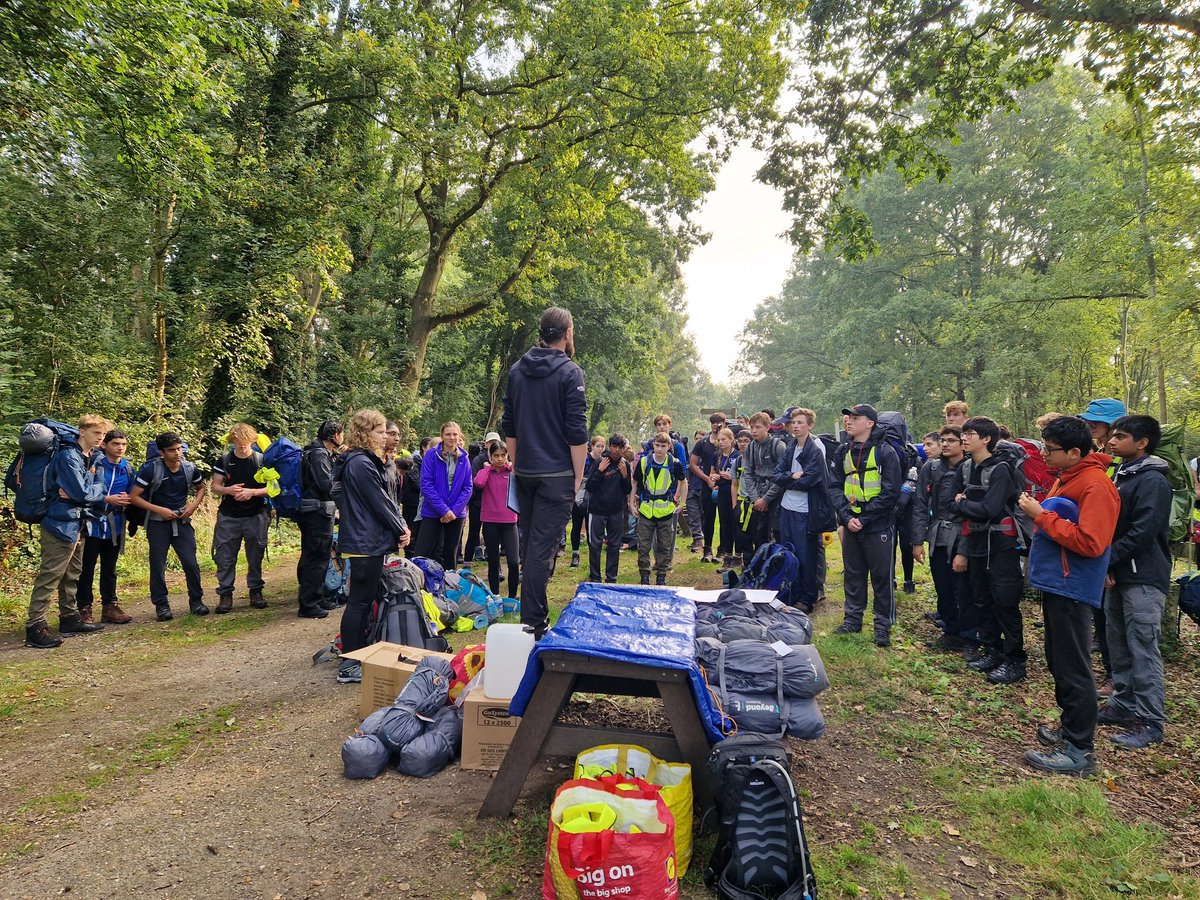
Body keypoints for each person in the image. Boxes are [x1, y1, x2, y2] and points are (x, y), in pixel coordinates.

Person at [1019, 415, 1119, 776]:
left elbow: (1092, 543)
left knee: (1074, 664)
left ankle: (1080, 751)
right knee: (1059, 659)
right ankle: (1070, 729)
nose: (1044, 454)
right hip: (1058, 583)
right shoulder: (1070, 476)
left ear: (1075, 452)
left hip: (1074, 586)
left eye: (1051, 449)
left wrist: (1040, 515)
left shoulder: (1095, 486)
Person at [501, 306, 588, 637]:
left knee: (532, 547)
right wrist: (578, 476)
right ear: (567, 334)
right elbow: (576, 431)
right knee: (540, 549)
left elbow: (509, 424)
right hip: (555, 474)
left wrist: (516, 462)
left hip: (525, 472)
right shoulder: (570, 373)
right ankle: (533, 623)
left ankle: (531, 617)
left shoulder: (517, 370)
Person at [1102, 415, 1171, 749]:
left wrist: (1108, 559)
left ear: (1142, 442)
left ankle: (1149, 721)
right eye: (1113, 436)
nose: (1112, 441)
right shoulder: (1121, 475)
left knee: (1143, 647)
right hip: (1118, 572)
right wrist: (1108, 565)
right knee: (1118, 643)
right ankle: (1123, 704)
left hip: (1144, 577)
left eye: (1121, 436)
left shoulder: (1153, 480)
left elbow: (1143, 531)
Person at [335, 409, 411, 684]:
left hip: (366, 539)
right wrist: (401, 528)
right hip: (364, 541)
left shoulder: (362, 461)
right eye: (379, 431)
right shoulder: (361, 463)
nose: (384, 436)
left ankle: (358, 656)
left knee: (364, 603)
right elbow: (380, 503)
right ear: (365, 433)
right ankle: (350, 663)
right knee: (358, 603)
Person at [951, 416, 1027, 684]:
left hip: (1002, 545)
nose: (964, 438)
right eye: (964, 433)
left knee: (1004, 601)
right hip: (977, 543)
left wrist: (963, 505)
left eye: (970, 434)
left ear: (986, 439)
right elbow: (954, 503)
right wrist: (963, 505)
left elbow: (991, 509)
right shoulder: (965, 468)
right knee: (981, 598)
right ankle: (991, 649)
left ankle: (1015, 660)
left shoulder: (1001, 469)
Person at [23, 414, 110, 648]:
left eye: (102, 434)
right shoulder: (68, 456)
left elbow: (84, 492)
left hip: (77, 522)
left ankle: (70, 618)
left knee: (73, 573)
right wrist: (94, 491)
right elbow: (81, 494)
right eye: (95, 433)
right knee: (51, 575)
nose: (100, 438)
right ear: (81, 432)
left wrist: (90, 490)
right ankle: (35, 626)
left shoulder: (91, 456)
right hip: (58, 523)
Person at [831, 404, 902, 647]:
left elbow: (891, 490)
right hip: (851, 523)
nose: (848, 422)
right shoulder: (842, 451)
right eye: (848, 418)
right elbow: (834, 486)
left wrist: (865, 518)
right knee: (853, 574)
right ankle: (852, 620)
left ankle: (882, 625)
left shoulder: (886, 452)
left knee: (882, 577)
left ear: (870, 423)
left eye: (855, 418)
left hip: (878, 525)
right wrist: (846, 516)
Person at [911, 426, 977, 652]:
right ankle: (951, 631)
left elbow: (974, 513)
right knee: (943, 585)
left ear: (962, 443)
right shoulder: (931, 468)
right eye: (943, 440)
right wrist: (918, 541)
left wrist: (964, 550)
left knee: (965, 588)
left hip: (963, 534)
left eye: (952, 440)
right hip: (938, 533)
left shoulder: (972, 468)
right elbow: (920, 504)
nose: (946, 444)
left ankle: (970, 636)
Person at [131, 432, 209, 622]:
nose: (177, 453)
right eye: (171, 450)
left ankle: (196, 601)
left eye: (179, 448)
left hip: (182, 521)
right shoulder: (151, 470)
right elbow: (134, 496)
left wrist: (192, 506)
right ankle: (161, 605)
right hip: (157, 524)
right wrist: (160, 510)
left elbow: (201, 487)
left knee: (190, 562)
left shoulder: (189, 468)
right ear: (161, 452)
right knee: (158, 564)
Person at [771, 408, 833, 613]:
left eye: (800, 422)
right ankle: (792, 593)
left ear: (810, 426)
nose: (795, 426)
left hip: (806, 511)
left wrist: (788, 479)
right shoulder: (790, 447)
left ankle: (808, 598)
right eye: (793, 422)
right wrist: (792, 476)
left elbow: (809, 481)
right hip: (787, 508)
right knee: (789, 551)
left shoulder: (814, 450)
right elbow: (776, 474)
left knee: (807, 555)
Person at [211, 422, 271, 613]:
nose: (242, 445)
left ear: (252, 440)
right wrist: (228, 490)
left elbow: (274, 488)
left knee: (255, 555)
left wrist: (251, 492)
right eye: (237, 442)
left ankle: (256, 591)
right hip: (229, 515)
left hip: (256, 514)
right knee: (225, 556)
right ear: (232, 441)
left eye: (245, 441)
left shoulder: (262, 460)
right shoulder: (225, 460)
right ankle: (225, 594)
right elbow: (216, 486)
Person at [77, 428, 134, 626]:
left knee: (110, 568)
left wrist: (129, 502)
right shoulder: (94, 464)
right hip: (92, 523)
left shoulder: (127, 468)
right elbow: (83, 492)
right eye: (115, 444)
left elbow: (132, 493)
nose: (120, 448)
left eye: (123, 444)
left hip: (115, 525)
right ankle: (84, 608)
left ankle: (110, 606)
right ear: (104, 445)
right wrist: (106, 499)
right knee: (87, 568)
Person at [295, 420, 342, 619]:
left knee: (318, 555)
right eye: (341, 433)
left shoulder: (316, 452)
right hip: (316, 513)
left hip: (316, 511)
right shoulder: (319, 454)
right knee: (316, 556)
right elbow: (326, 485)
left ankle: (317, 596)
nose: (343, 437)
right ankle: (309, 604)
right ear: (333, 435)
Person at [415, 421, 473, 571]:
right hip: (433, 511)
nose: (451, 437)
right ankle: (419, 587)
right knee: (422, 552)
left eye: (455, 434)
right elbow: (426, 485)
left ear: (459, 436)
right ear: (442, 436)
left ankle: (449, 589)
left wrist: (453, 511)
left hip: (456, 514)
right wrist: (443, 510)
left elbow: (468, 487)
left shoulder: (464, 458)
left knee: (450, 554)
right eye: (448, 434)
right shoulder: (431, 455)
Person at [631, 432, 687, 585]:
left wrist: (681, 502)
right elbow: (634, 482)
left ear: (669, 447)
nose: (660, 449)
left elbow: (683, 481)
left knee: (664, 546)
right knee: (643, 546)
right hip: (646, 510)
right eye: (657, 445)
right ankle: (644, 576)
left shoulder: (674, 463)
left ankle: (661, 576)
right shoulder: (644, 462)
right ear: (653, 445)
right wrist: (631, 503)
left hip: (666, 511)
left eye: (663, 446)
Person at [736, 412, 786, 567]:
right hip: (757, 497)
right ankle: (759, 568)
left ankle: (779, 567)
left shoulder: (778, 446)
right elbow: (748, 474)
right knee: (759, 533)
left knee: (777, 533)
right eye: (752, 427)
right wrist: (756, 498)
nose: (754, 431)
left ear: (767, 427)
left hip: (776, 497)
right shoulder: (751, 447)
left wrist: (766, 499)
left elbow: (782, 477)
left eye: (758, 427)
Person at [473, 442, 520, 598]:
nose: (500, 459)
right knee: (493, 562)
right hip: (490, 521)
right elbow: (478, 483)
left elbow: (523, 481)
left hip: (510, 521)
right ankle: (495, 596)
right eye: (496, 456)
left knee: (513, 562)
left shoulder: (511, 471)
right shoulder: (486, 472)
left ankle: (512, 597)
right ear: (490, 456)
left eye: (502, 455)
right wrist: (488, 467)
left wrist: (512, 467)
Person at [585, 433, 633, 583]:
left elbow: (627, 490)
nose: (616, 450)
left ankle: (611, 577)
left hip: (616, 511)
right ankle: (595, 576)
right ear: (610, 446)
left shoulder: (625, 464)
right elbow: (589, 486)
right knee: (595, 544)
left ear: (623, 448)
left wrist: (625, 475)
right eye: (614, 446)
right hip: (597, 509)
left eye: (620, 447)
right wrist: (600, 471)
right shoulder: (600, 461)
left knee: (614, 544)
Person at [689, 414, 725, 562]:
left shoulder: (730, 441)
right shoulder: (703, 442)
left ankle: (724, 549)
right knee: (708, 518)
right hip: (706, 485)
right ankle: (707, 549)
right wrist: (706, 478)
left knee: (725, 519)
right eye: (713, 422)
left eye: (718, 422)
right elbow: (693, 464)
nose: (716, 425)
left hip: (725, 485)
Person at [465, 431, 501, 565]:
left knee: (492, 535)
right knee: (473, 532)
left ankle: (495, 565)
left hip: (494, 504)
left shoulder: (502, 459)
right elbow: (476, 481)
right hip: (478, 503)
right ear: (485, 445)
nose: (492, 445)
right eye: (490, 442)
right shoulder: (478, 460)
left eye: (495, 442)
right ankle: (467, 564)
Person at [571, 436, 606, 567]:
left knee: (592, 526)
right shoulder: (585, 459)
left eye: (603, 446)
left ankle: (594, 555)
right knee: (576, 523)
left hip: (595, 496)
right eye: (598, 446)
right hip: (580, 493)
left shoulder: (604, 460)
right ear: (591, 446)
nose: (600, 449)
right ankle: (575, 554)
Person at [713, 427, 739, 569]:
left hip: (735, 492)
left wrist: (731, 477)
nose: (721, 442)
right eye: (719, 440)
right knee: (725, 524)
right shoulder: (717, 455)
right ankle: (727, 555)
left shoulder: (738, 456)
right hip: (722, 492)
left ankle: (738, 556)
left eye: (724, 439)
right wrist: (714, 477)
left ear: (731, 440)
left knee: (737, 523)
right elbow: (712, 472)